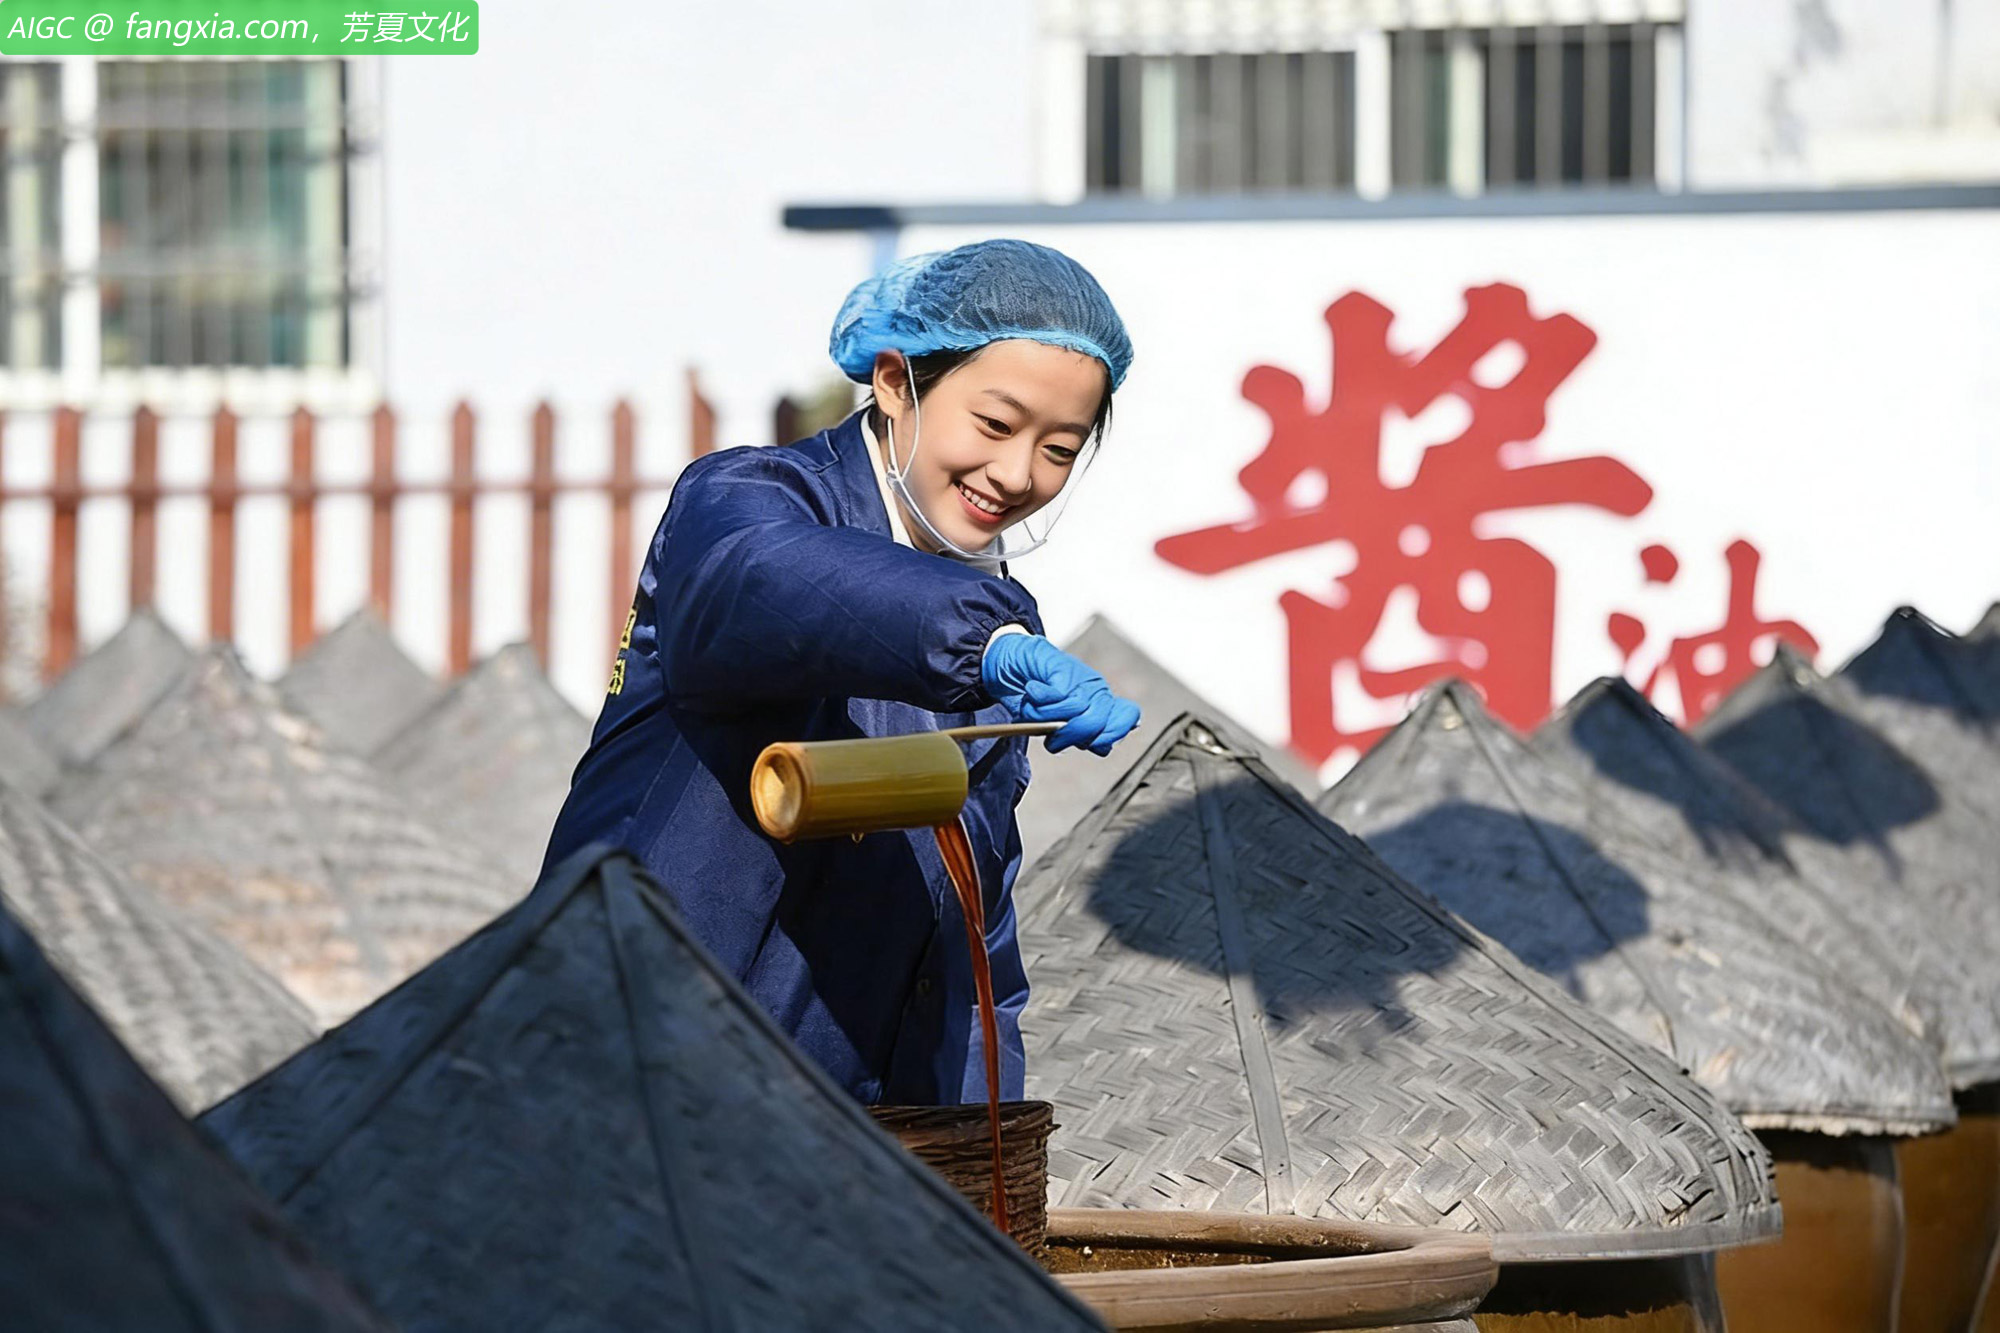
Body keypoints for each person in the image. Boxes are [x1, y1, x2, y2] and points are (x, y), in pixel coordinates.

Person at [541, 238, 1142, 1107]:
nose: (1016, 474)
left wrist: (976, 1160)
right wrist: (981, 644)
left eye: (1059, 448)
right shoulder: (747, 501)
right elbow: (765, 579)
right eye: (995, 425)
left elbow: (972, 948)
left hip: (833, 1136)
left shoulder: (999, 614)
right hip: (628, 1082)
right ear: (898, 382)